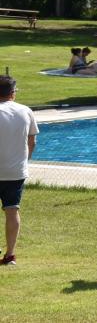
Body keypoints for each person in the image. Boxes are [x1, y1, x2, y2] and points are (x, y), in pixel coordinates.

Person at [0, 76, 38, 266]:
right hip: (15, 170)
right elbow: (32, 142)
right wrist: (24, 161)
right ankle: (10, 255)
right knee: (12, 210)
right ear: (13, 93)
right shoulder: (25, 111)